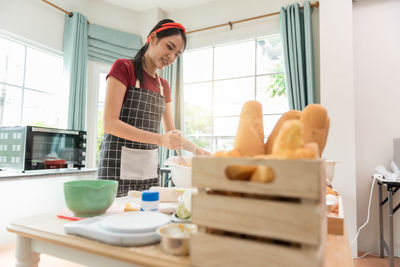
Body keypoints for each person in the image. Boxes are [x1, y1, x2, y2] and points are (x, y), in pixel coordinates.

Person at [98, 19, 209, 197]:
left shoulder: (164, 86)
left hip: (148, 171)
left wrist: (196, 149)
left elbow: (170, 132)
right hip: (115, 168)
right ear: (153, 38)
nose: (171, 57)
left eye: (177, 54)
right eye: (169, 47)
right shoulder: (124, 68)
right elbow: (110, 124)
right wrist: (160, 140)